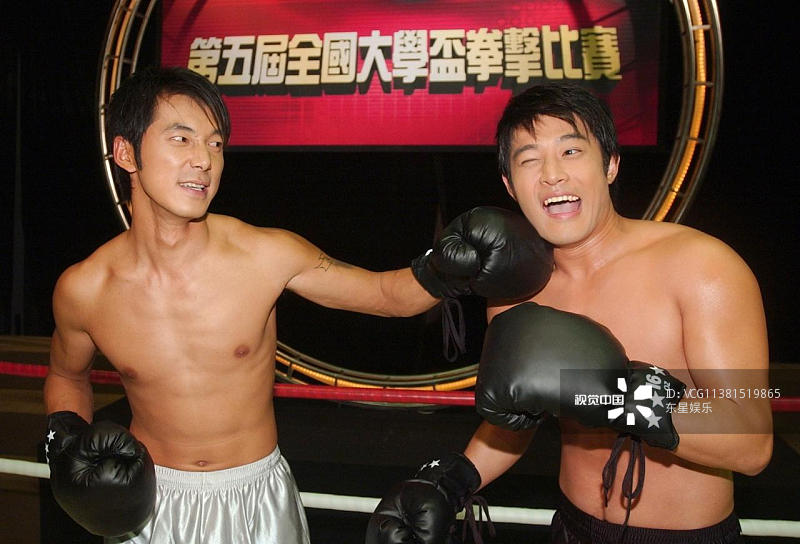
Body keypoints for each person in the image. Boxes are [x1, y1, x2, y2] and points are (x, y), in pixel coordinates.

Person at [42, 66, 554, 544]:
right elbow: (67, 375)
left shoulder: (265, 255)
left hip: (254, 499)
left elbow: (385, 295)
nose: (204, 160)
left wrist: (448, 268)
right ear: (126, 153)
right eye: (181, 139)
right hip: (147, 504)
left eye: (215, 144)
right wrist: (65, 437)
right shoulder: (84, 289)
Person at [367, 83, 773, 544]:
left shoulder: (702, 267)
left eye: (571, 150)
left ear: (611, 164)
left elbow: (751, 441)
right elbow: (517, 415)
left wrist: (621, 393)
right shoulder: (518, 290)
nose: (552, 175)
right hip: (570, 527)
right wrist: (452, 481)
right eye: (529, 160)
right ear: (509, 185)